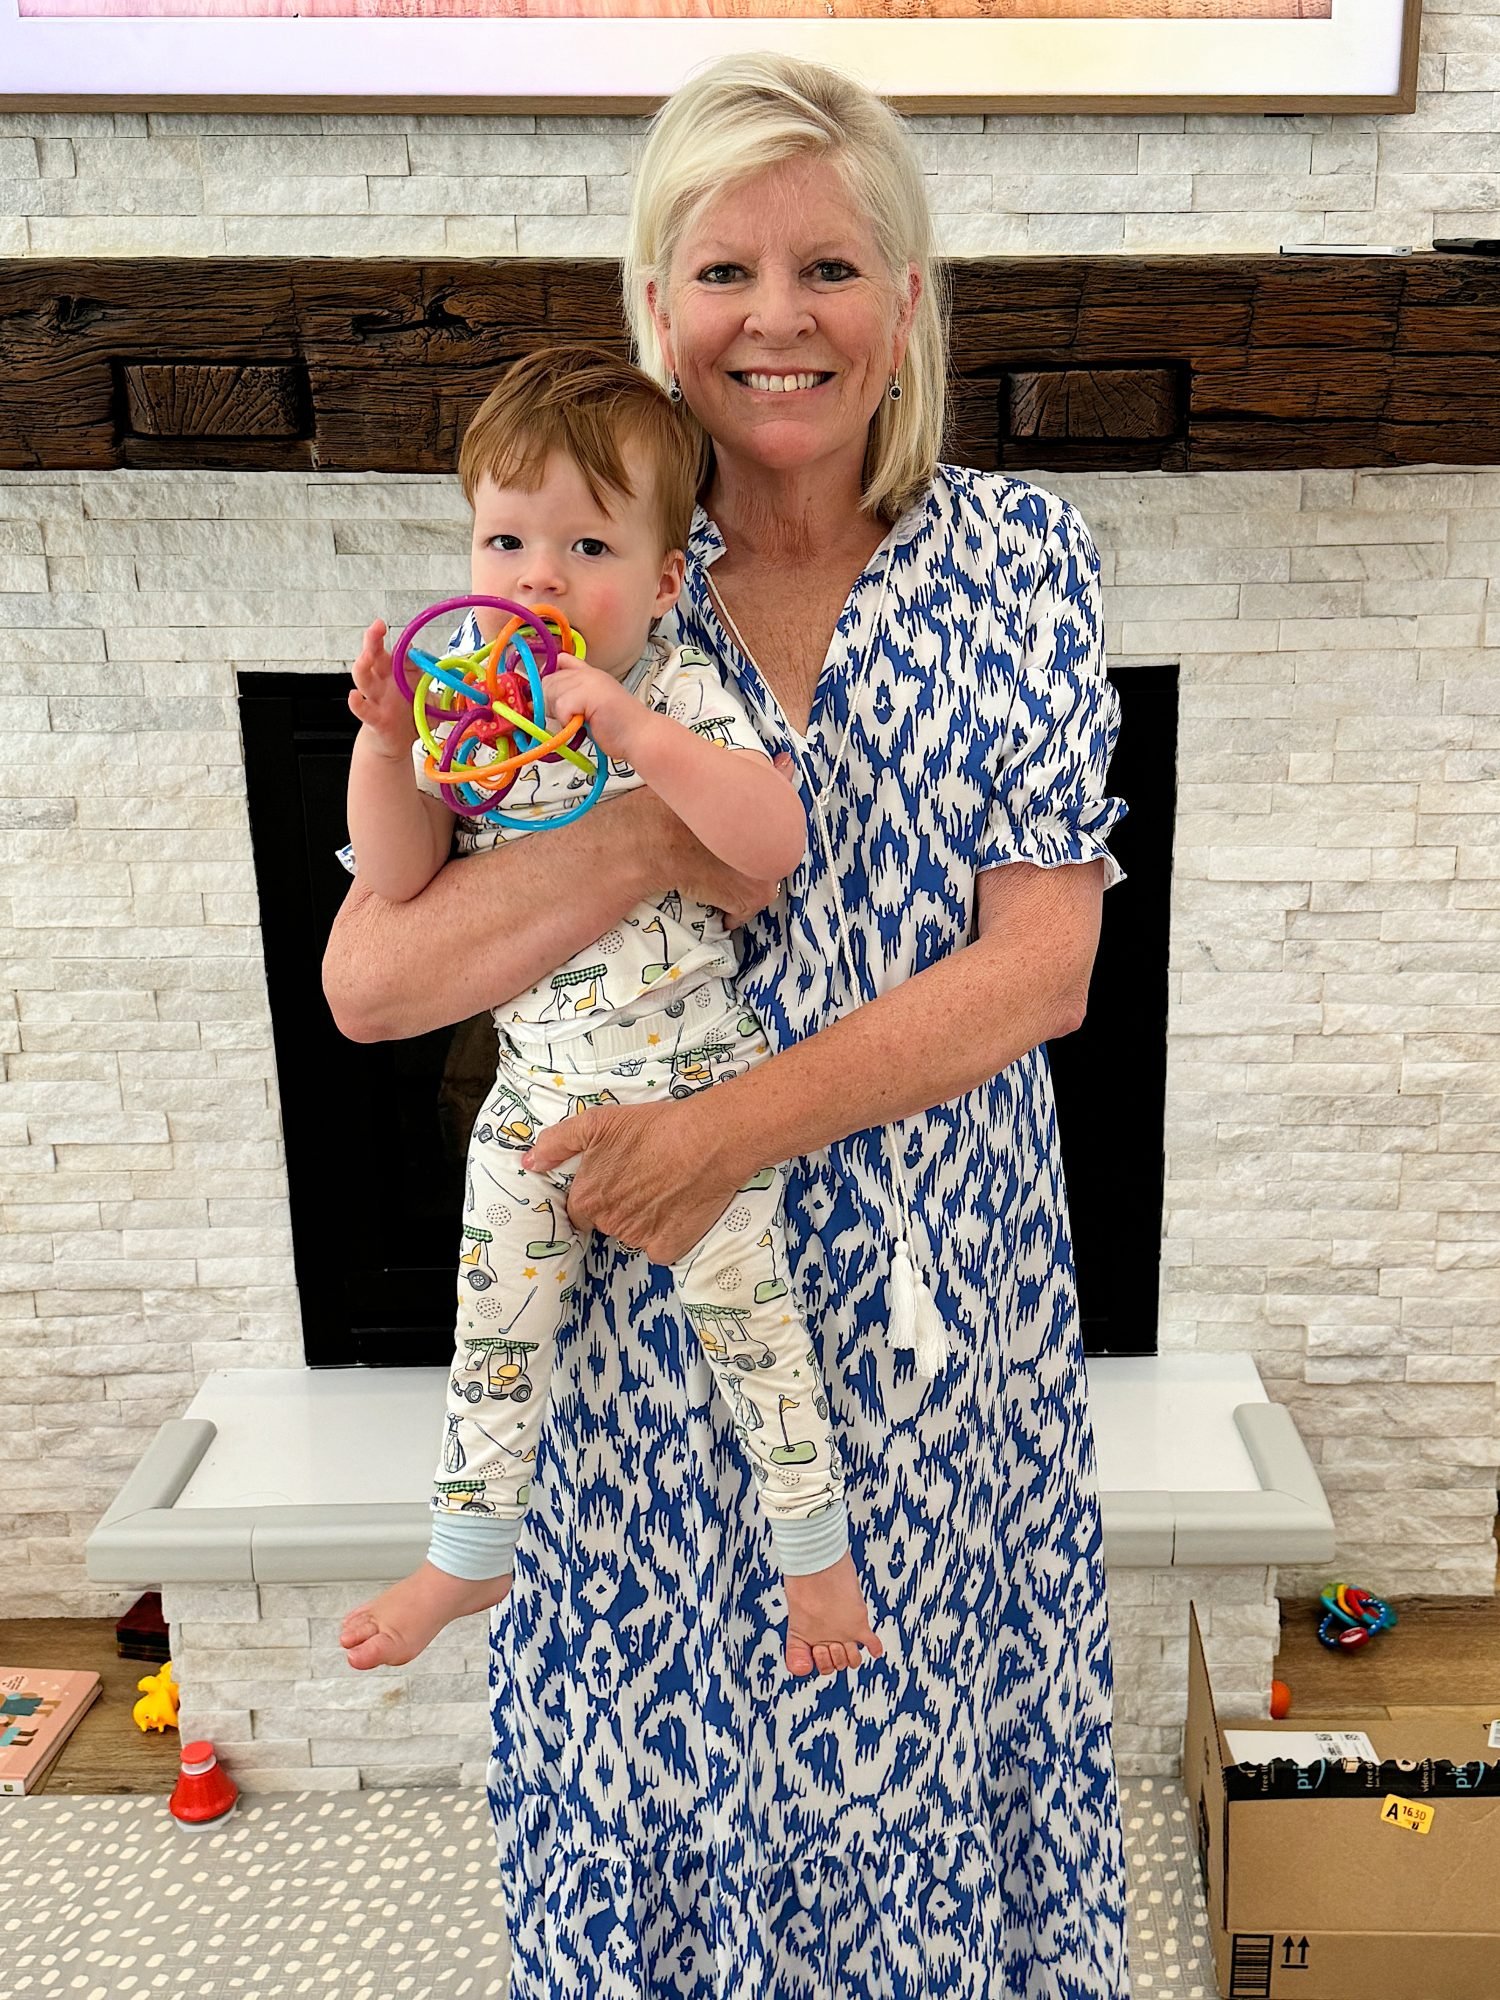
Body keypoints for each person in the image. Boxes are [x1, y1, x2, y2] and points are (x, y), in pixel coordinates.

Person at [322, 50, 1133, 2000]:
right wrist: (623, 832)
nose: (778, 317)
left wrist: (732, 1122)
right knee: (659, 1811)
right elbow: (371, 980)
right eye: (725, 271)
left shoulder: (1019, 563)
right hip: (618, 1307)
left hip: (931, 1309)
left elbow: (1045, 967)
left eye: (833, 266)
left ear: (909, 304)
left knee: (919, 1799)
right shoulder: (551, 603)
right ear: (653, 306)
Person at [336, 345, 884, 1680]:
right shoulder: (472, 710)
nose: (536, 578)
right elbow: (398, 879)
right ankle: (467, 1556)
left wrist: (634, 733)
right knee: (492, 1337)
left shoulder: (679, 693)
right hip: (535, 1100)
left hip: (691, 1092)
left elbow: (775, 841)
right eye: (506, 539)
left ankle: (817, 1565)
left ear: (662, 582)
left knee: (757, 1334)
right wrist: (381, 740)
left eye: (585, 545)